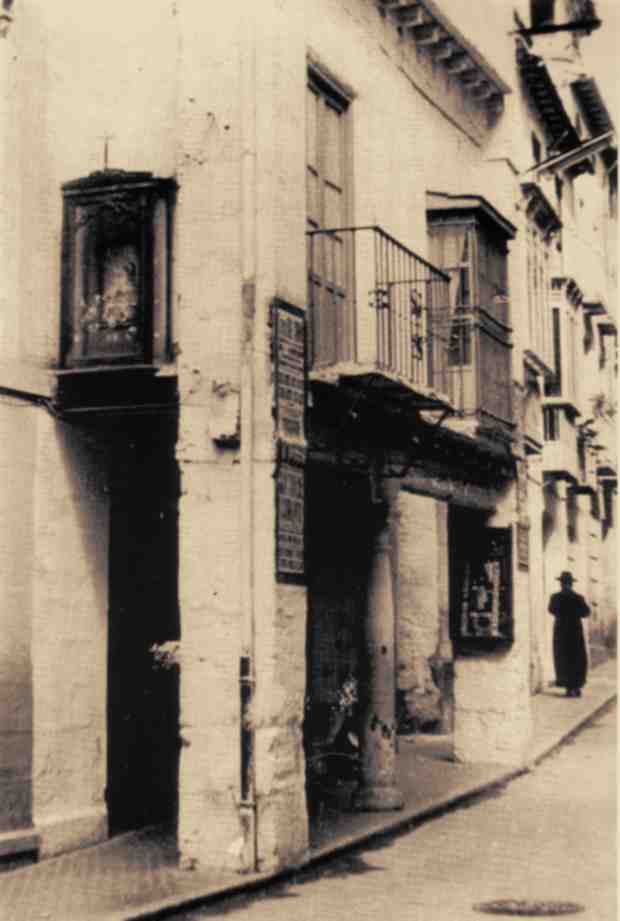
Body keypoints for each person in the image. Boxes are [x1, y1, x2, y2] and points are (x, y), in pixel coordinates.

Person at [548, 571, 590, 697]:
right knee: (577, 658)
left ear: (561, 583)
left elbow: (551, 610)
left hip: (561, 631)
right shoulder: (578, 598)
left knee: (563, 658)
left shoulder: (555, 597)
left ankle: (568, 688)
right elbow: (586, 612)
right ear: (572, 584)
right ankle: (576, 686)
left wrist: (561, 614)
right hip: (575, 631)